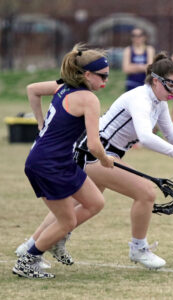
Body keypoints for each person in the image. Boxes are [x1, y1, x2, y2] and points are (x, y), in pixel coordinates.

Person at [15, 52, 173, 270]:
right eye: (170, 86)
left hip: (105, 152)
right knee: (145, 192)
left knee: (77, 205)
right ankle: (138, 249)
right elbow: (146, 137)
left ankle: (32, 245)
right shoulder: (141, 98)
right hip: (97, 152)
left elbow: (169, 131)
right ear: (156, 81)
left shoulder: (159, 101)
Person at [13, 44, 115, 279]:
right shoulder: (89, 99)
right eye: (103, 76)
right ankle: (27, 261)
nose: (106, 82)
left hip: (55, 160)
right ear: (87, 74)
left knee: (95, 202)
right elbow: (93, 145)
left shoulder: (62, 87)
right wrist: (106, 160)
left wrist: (41, 124)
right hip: (48, 164)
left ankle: (55, 240)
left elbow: (32, 90)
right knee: (67, 220)